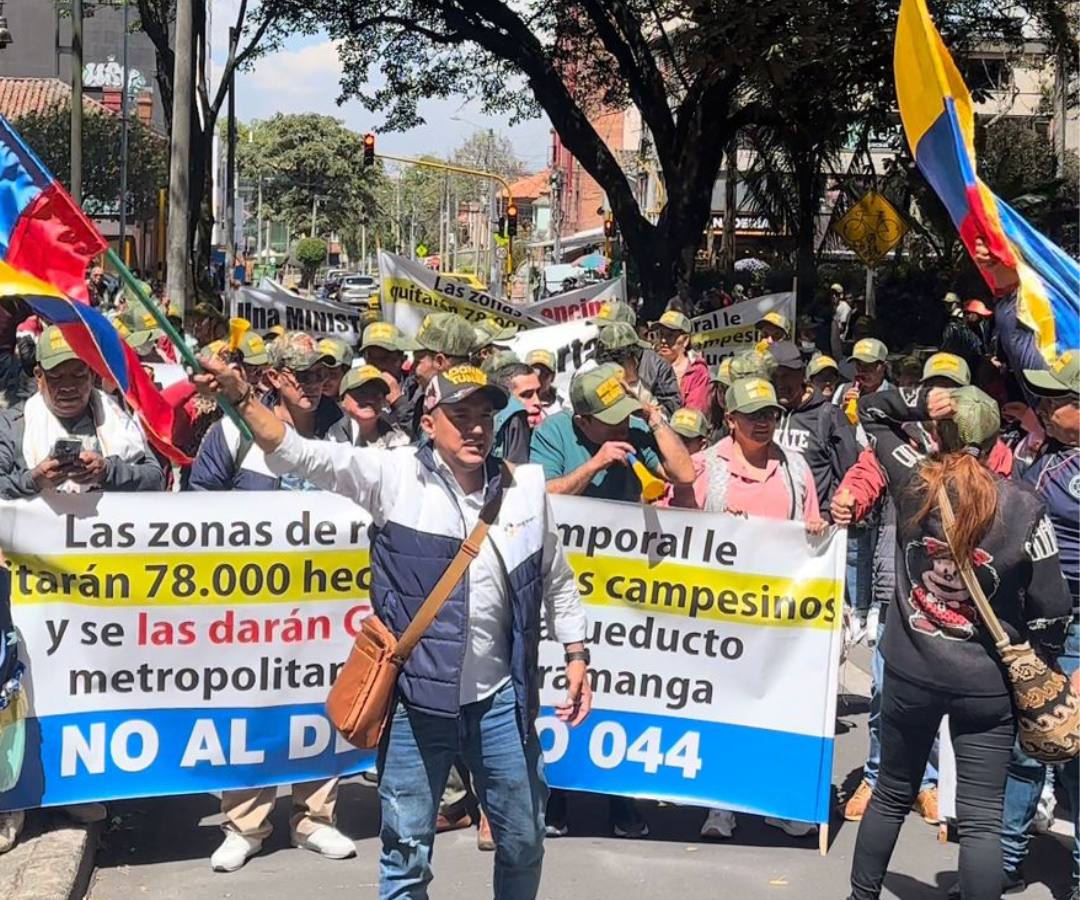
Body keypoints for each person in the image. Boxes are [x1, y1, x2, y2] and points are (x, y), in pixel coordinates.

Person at [193, 357, 591, 900]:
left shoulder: (523, 489)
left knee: (523, 840)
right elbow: (297, 453)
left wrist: (576, 653)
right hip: (415, 703)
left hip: (501, 702)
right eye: (461, 414)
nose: (476, 427)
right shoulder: (394, 475)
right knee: (405, 855)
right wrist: (241, 399)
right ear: (430, 423)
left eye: (485, 415)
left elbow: (557, 577)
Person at [846, 385, 1071, 900]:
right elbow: (1053, 606)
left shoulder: (910, 480)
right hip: (986, 684)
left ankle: (860, 897)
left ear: (938, 432)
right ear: (996, 440)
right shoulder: (1025, 506)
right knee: (981, 823)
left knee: (889, 797)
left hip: (910, 670)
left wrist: (920, 400)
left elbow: (872, 410)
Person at [189, 332, 353, 872]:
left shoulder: (343, 429)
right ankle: (244, 824)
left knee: (321, 703)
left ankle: (316, 818)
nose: (311, 385)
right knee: (249, 708)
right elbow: (197, 509)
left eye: (318, 375)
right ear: (273, 379)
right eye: (299, 375)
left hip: (326, 603)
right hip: (249, 606)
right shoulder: (230, 434)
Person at [0, 325, 164, 851]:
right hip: (26, 584)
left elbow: (156, 477)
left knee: (84, 679)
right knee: (21, 686)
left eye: (78, 374)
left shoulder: (116, 422)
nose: (68, 385)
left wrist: (109, 470)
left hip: (98, 589)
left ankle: (76, 786)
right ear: (38, 377)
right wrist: (35, 479)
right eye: (57, 376)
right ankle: (14, 800)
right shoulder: (11, 424)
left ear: (93, 375)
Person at [693, 375, 824, 840]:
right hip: (719, 610)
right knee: (722, 706)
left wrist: (820, 528)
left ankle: (777, 800)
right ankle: (720, 806)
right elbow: (670, 525)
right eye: (753, 416)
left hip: (778, 611)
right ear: (730, 421)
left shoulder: (794, 466)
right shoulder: (704, 467)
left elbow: (811, 520)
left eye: (770, 414)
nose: (764, 423)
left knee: (776, 709)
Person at [531, 364, 695, 504]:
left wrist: (653, 417)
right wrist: (595, 465)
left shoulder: (635, 428)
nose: (622, 424)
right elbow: (544, 496)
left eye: (624, 414)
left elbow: (685, 475)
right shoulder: (552, 431)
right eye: (612, 419)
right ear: (582, 422)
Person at [769, 341, 860, 515]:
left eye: (787, 376)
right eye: (774, 376)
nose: (780, 384)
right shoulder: (761, 416)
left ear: (802, 375)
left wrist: (827, 515)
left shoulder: (829, 417)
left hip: (814, 529)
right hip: (768, 528)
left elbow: (849, 474)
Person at [590, 301, 680, 415]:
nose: (604, 333)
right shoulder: (591, 363)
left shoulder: (656, 365)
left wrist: (647, 413)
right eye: (601, 328)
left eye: (608, 327)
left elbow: (672, 408)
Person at [404, 313, 477, 438]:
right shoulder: (428, 400)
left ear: (439, 362)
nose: (412, 369)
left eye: (417, 361)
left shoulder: (474, 405)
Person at [327, 364, 411, 449]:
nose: (370, 399)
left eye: (376, 394)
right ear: (343, 400)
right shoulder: (332, 439)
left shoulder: (400, 436)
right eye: (362, 393)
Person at [358, 321, 417, 432]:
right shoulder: (355, 389)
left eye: (386, 358)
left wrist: (398, 401)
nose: (378, 366)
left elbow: (421, 433)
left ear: (402, 359)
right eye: (371, 358)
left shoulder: (416, 390)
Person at [651, 310, 711, 413]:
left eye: (670, 335)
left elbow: (693, 412)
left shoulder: (697, 371)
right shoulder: (649, 364)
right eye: (661, 334)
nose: (663, 340)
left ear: (686, 340)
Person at [525, 349, 565, 420]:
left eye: (544, 374)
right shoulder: (519, 405)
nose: (538, 378)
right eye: (533, 372)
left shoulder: (563, 402)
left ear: (552, 377)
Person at [830, 283, 854, 359]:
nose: (833, 296)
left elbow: (841, 328)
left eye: (836, 294)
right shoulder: (831, 306)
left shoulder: (845, 307)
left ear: (841, 295)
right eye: (832, 294)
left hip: (839, 341)